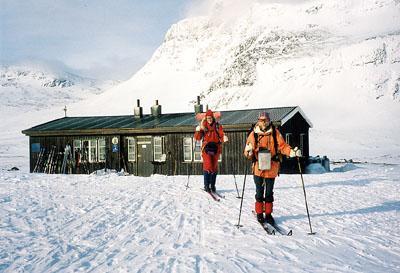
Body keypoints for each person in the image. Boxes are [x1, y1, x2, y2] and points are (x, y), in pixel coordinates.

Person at [243, 111, 301, 225]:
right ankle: (260, 214)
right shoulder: (253, 134)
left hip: (272, 168)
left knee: (269, 193)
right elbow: (247, 150)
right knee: (259, 193)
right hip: (258, 168)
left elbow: (283, 146)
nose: (263, 122)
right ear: (258, 121)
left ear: (269, 121)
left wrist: (292, 152)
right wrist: (248, 152)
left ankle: (268, 215)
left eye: (265, 120)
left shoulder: (275, 133)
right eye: (261, 120)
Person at [194, 109, 228, 193]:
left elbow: (221, 134)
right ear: (206, 118)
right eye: (208, 118)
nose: (209, 119)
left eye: (211, 117)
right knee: (208, 165)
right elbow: (197, 138)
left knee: (214, 167)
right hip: (206, 148)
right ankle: (206, 185)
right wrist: (198, 131)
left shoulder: (217, 126)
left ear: (213, 118)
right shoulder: (203, 126)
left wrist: (224, 138)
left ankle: (212, 185)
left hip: (216, 148)